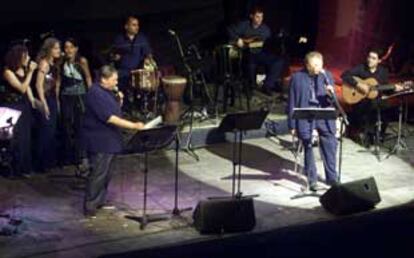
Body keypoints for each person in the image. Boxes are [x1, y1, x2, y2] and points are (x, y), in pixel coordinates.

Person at [81, 65, 144, 217]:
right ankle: (90, 205)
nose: (116, 83)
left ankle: (100, 201)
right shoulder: (95, 93)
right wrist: (133, 125)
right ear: (103, 79)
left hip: (111, 140)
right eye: (114, 80)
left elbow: (114, 110)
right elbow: (110, 118)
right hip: (100, 141)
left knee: (107, 174)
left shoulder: (108, 92)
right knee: (99, 173)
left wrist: (119, 100)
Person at [287, 51, 337, 191]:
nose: (318, 68)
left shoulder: (326, 76)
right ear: (307, 65)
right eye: (314, 65)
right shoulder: (297, 78)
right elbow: (292, 101)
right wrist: (292, 124)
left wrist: (330, 94)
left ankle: (332, 177)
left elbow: (333, 102)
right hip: (305, 116)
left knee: (330, 144)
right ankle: (312, 179)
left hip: (323, 116)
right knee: (308, 146)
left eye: (320, 65)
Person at [341, 48, 405, 146]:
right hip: (361, 100)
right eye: (369, 57)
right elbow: (345, 75)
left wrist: (394, 88)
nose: (370, 60)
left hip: (376, 100)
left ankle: (379, 135)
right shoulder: (361, 67)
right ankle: (365, 133)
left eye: (373, 58)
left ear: (379, 61)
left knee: (388, 106)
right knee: (370, 104)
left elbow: (383, 88)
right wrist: (358, 84)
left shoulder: (383, 72)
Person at [228, 6, 284, 96]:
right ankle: (249, 87)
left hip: (260, 53)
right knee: (250, 61)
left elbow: (268, 43)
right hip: (246, 53)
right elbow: (230, 30)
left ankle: (267, 85)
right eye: (257, 17)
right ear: (252, 16)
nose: (260, 19)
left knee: (278, 61)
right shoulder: (244, 25)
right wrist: (237, 39)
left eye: (261, 17)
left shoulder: (265, 30)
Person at [1, 44, 37, 177]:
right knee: (13, 140)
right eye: (25, 55)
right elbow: (21, 88)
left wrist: (33, 101)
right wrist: (31, 72)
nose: (28, 58)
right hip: (11, 108)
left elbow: (27, 88)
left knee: (25, 138)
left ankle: (24, 168)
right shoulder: (8, 72)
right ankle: (13, 169)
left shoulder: (23, 70)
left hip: (24, 106)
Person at [60, 38, 92, 169]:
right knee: (67, 126)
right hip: (66, 96)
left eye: (71, 47)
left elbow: (88, 77)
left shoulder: (81, 61)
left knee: (80, 126)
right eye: (66, 47)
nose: (68, 50)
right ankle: (68, 156)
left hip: (80, 96)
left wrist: (90, 96)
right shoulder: (62, 63)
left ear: (76, 48)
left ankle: (81, 156)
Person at [111, 16, 155, 110]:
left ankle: (141, 106)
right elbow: (112, 55)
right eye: (134, 25)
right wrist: (115, 57)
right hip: (123, 71)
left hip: (138, 70)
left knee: (145, 82)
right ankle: (125, 108)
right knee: (119, 81)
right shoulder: (119, 39)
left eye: (137, 25)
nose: (137, 27)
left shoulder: (142, 39)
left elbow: (148, 53)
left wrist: (148, 58)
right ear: (126, 26)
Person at [35, 37, 62, 172]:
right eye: (56, 48)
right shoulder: (44, 64)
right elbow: (38, 85)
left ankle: (49, 161)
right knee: (45, 131)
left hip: (51, 99)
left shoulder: (54, 64)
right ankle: (42, 164)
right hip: (45, 98)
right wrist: (44, 104)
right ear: (49, 49)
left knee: (51, 132)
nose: (59, 51)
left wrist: (56, 102)